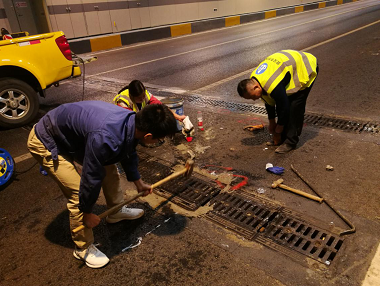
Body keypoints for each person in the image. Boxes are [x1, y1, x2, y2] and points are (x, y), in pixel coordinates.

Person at [27, 101, 178, 268]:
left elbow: (128, 152)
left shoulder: (131, 122)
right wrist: (86, 212)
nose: (159, 142)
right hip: (47, 140)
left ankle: (116, 212)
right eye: (160, 140)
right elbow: (91, 176)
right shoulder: (105, 137)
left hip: (69, 135)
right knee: (78, 192)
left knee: (110, 168)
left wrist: (139, 183)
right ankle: (82, 248)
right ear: (148, 136)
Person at [237, 50, 318, 154]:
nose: (254, 100)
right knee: (282, 104)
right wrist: (272, 123)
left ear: (256, 87)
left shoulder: (272, 84)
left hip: (306, 66)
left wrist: (278, 130)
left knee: (294, 107)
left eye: (253, 97)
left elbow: (284, 107)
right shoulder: (255, 80)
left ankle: (291, 142)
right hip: (287, 67)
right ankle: (283, 138)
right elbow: (269, 102)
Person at [113, 80, 186, 122]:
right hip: (123, 121)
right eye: (139, 98)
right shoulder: (123, 102)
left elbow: (161, 106)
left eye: (143, 96)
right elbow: (130, 121)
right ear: (132, 96)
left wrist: (177, 116)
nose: (142, 99)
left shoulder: (146, 94)